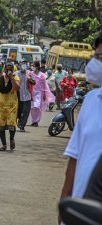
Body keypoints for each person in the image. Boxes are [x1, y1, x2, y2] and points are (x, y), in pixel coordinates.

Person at [58, 33, 102, 225]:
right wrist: (64, 202)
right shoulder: (91, 100)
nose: (94, 63)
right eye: (96, 56)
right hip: (79, 213)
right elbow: (74, 158)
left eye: (100, 58)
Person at [0, 63, 20, 151]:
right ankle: (4, 145)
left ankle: (11, 139)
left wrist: (11, 78)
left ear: (13, 70)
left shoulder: (16, 78)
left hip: (12, 104)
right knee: (0, 124)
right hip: (1, 104)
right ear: (4, 69)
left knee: (11, 123)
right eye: (6, 69)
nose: (8, 71)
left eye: (10, 69)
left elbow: (17, 88)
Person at [30, 61, 55, 127]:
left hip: (39, 93)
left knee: (37, 106)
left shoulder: (42, 75)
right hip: (32, 92)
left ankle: (36, 121)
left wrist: (44, 94)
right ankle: (34, 121)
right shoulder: (31, 73)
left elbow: (44, 85)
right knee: (32, 108)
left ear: (37, 67)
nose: (32, 67)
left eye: (33, 66)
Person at [17, 59, 34, 131]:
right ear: (19, 64)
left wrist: (30, 79)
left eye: (25, 63)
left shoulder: (29, 73)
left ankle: (22, 125)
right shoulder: (16, 73)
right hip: (18, 96)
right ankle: (19, 120)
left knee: (26, 111)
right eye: (22, 63)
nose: (24, 64)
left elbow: (34, 82)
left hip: (27, 96)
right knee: (19, 111)